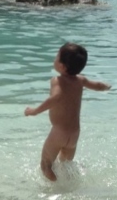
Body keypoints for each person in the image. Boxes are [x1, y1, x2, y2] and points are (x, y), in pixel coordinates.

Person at [24, 42, 111, 181]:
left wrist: (35, 111)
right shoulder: (81, 80)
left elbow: (56, 97)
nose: (54, 59)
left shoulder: (57, 81)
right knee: (65, 165)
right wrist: (106, 87)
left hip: (59, 132)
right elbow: (98, 85)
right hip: (74, 134)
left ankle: (56, 188)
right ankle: (70, 185)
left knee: (46, 165)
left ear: (62, 66)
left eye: (56, 57)